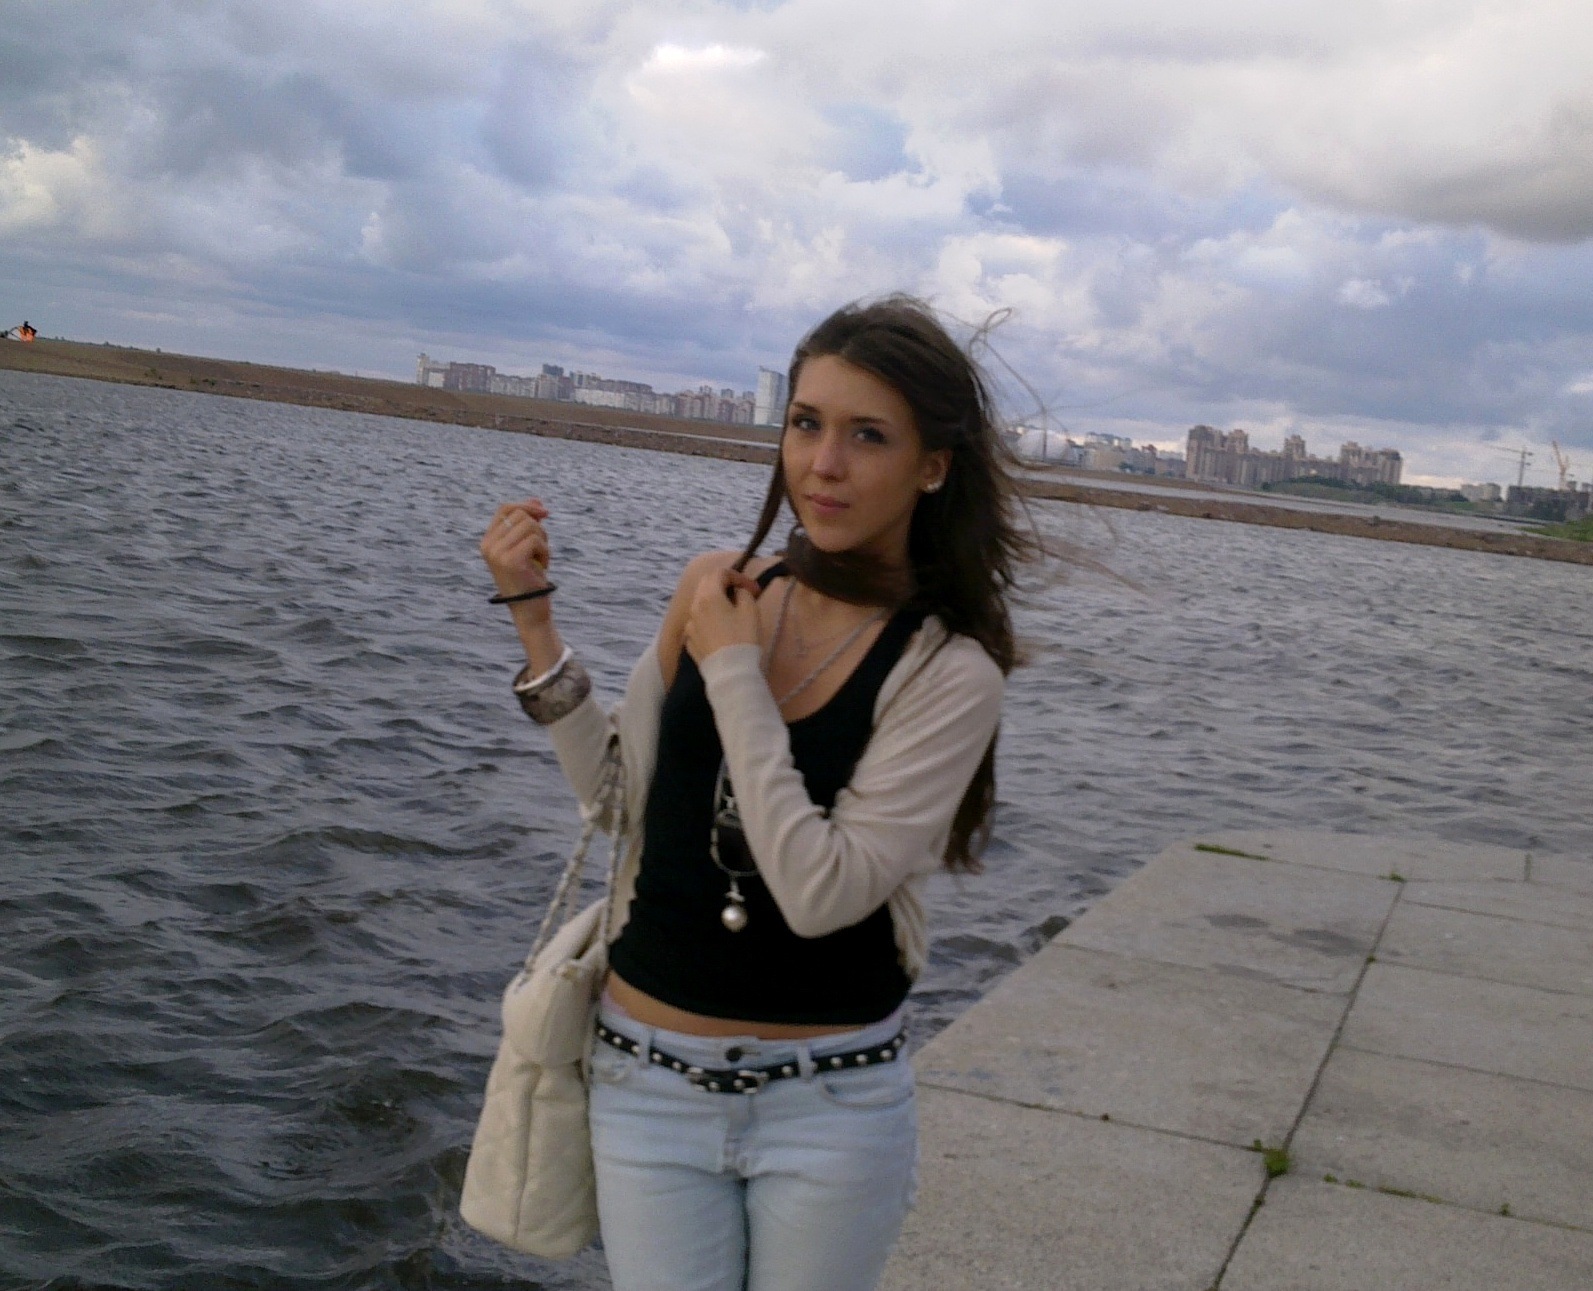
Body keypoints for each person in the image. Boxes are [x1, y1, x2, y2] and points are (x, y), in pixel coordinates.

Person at [478, 296, 1031, 1291]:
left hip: (829, 1104)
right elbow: (617, 801)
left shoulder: (949, 670)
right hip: (646, 1081)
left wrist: (733, 672)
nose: (824, 463)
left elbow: (821, 893)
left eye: (868, 435)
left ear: (933, 466)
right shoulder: (717, 586)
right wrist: (535, 623)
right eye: (806, 423)